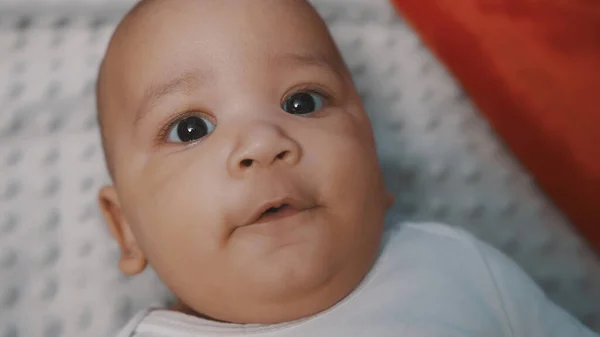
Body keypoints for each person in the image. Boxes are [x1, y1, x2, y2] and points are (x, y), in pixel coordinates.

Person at [95, 0, 599, 336]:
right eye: (190, 129)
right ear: (126, 229)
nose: (264, 142)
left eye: (303, 102)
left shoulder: (459, 267)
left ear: (375, 163)